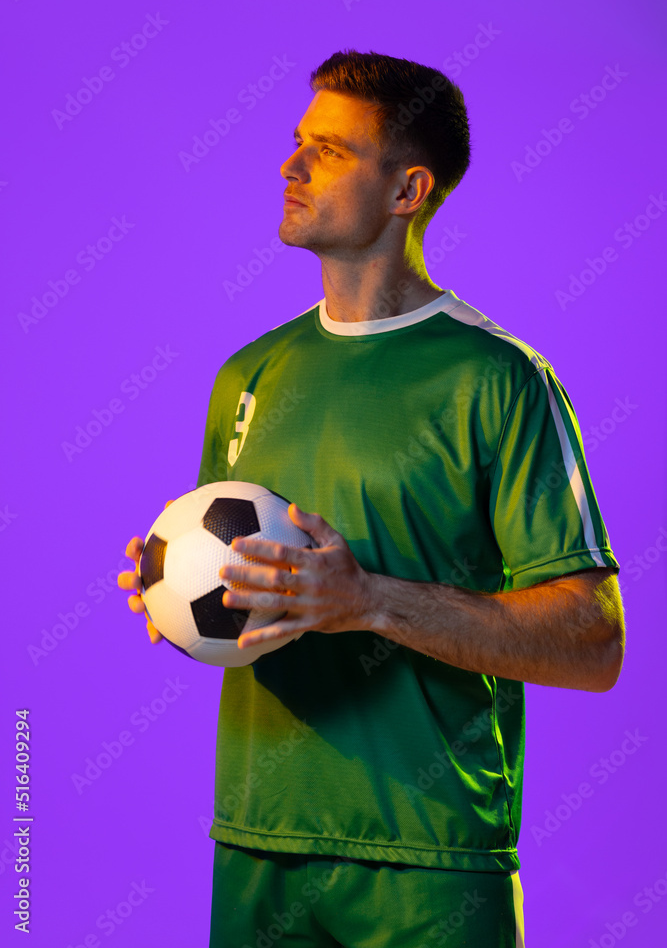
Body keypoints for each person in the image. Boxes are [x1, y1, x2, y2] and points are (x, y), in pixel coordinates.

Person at [118, 49, 625, 947]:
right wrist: (178, 591)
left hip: (427, 865)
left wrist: (368, 602)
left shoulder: (498, 380)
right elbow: (250, 599)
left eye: (331, 150)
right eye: (295, 143)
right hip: (257, 846)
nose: (291, 166)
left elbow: (592, 642)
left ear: (407, 191)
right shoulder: (248, 376)